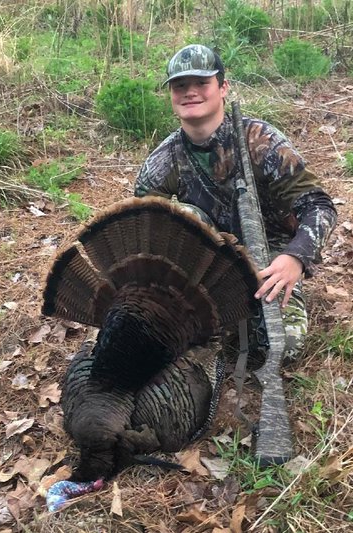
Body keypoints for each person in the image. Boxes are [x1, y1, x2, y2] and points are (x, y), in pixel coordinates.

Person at [134, 44, 337, 365]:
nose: (190, 93)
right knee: (181, 217)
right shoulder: (163, 160)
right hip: (205, 264)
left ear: (223, 87)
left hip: (268, 259)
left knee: (282, 346)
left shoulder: (262, 141)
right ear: (171, 94)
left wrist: (294, 258)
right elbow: (141, 232)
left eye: (201, 83)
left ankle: (239, 314)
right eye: (180, 86)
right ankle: (205, 315)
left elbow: (319, 206)